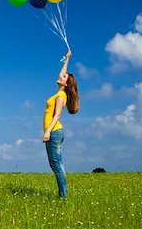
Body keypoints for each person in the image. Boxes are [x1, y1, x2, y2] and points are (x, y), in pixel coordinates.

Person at [42, 50, 79, 199]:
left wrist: (47, 132)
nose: (60, 76)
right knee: (56, 164)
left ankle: (63, 197)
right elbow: (62, 73)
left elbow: (57, 115)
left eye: (63, 77)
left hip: (54, 132)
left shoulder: (61, 96)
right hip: (55, 132)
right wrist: (67, 59)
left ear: (66, 83)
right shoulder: (60, 92)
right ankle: (63, 195)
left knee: (56, 165)